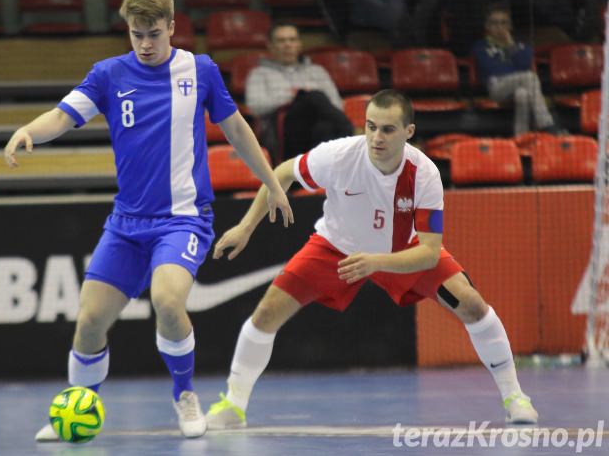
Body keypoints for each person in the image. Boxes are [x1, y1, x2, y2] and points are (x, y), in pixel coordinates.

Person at [3, 0, 293, 440]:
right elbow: (62, 115)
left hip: (183, 219)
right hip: (126, 224)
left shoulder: (200, 71)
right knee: (90, 321)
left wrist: (272, 182)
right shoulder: (108, 74)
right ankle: (78, 407)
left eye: (154, 33)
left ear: (172, 28)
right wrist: (29, 132)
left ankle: (184, 395)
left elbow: (236, 129)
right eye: (137, 34)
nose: (145, 44)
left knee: (168, 301)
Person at [205, 89, 538, 429]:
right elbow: (283, 173)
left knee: (472, 305)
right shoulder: (339, 156)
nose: (376, 137)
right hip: (335, 246)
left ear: (408, 131)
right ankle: (234, 405)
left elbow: (427, 252)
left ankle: (515, 397)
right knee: (265, 314)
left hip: (402, 250)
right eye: (371, 126)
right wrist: (246, 227)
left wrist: (377, 262)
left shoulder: (424, 174)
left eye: (388, 129)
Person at [245, 21, 354, 162]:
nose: (287, 45)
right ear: (270, 46)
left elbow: (337, 104)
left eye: (292, 40)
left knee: (324, 127)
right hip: (283, 129)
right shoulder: (259, 73)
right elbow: (255, 107)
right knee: (314, 96)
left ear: (299, 44)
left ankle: (316, 177)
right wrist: (294, 95)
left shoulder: (317, 71)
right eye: (281, 41)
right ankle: (347, 128)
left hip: (317, 127)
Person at [472, 3, 566, 137]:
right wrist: (513, 66)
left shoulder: (520, 47)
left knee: (522, 94)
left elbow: (525, 64)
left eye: (503, 23)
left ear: (509, 26)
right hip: (496, 88)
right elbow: (491, 69)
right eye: (494, 23)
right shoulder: (480, 47)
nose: (499, 27)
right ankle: (545, 123)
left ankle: (521, 138)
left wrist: (510, 45)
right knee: (530, 77)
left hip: (518, 85)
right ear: (487, 26)